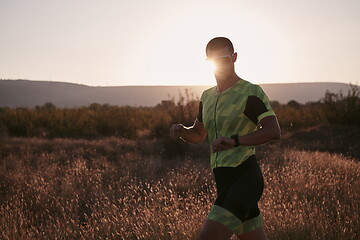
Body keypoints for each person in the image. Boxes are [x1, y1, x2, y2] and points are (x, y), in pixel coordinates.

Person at [169, 37, 281, 240]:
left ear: (234, 57)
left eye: (224, 58)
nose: (219, 64)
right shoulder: (207, 96)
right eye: (214, 60)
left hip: (245, 178)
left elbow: (274, 131)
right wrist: (182, 131)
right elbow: (199, 134)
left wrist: (235, 141)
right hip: (223, 181)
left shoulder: (250, 92)